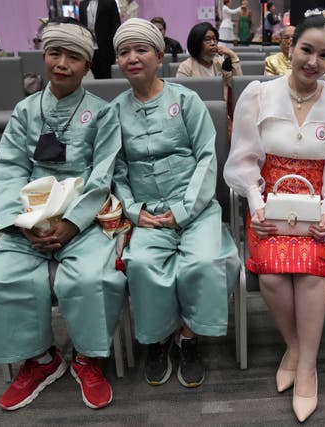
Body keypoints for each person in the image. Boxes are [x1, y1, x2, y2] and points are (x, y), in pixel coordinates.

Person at [0, 19, 126, 411]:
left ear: (87, 64)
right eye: (54, 53)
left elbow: (102, 175)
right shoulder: (25, 111)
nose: (62, 63)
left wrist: (71, 223)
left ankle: (88, 358)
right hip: (29, 222)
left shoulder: (103, 114)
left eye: (74, 57)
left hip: (83, 221)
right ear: (43, 56)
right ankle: (41, 360)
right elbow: (8, 170)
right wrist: (25, 226)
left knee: (94, 276)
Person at [224, 10, 325, 423]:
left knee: (312, 272)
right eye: (306, 50)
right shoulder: (259, 95)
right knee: (272, 274)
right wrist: (256, 203)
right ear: (290, 46)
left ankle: (306, 367)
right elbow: (245, 158)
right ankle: (296, 346)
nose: (312, 62)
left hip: (316, 206)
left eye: (323, 55)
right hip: (270, 205)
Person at [110, 18, 240, 389]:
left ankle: (187, 336)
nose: (133, 58)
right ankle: (158, 337)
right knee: (143, 261)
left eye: (141, 49)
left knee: (204, 261)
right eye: (124, 52)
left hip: (194, 207)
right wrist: (134, 211)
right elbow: (116, 170)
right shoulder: (114, 110)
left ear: (159, 53)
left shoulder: (186, 100)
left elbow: (206, 157)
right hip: (147, 213)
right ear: (117, 60)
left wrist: (184, 210)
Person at [176, 22, 242, 102]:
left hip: (221, 110)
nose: (213, 43)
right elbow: (180, 96)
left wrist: (233, 56)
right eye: (207, 39)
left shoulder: (220, 62)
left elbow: (237, 86)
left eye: (214, 39)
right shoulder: (186, 67)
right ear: (196, 42)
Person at [79, 0, 121, 79]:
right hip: (90, 47)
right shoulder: (83, 4)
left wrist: (116, 49)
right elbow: (82, 26)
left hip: (106, 47)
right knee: (92, 74)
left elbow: (116, 25)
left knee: (106, 74)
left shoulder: (109, 3)